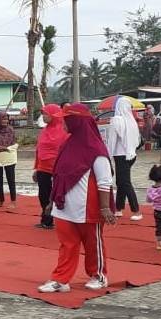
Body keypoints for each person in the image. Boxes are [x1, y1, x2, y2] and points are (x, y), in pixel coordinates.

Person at [37, 103, 116, 293]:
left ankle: (98, 275)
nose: (63, 122)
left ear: (76, 121)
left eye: (67, 119)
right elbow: (58, 174)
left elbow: (105, 181)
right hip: (64, 206)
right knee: (67, 245)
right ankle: (60, 279)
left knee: (93, 244)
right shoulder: (67, 143)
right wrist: (51, 201)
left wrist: (105, 208)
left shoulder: (96, 148)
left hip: (88, 207)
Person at [105, 97, 143, 220]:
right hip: (131, 155)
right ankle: (119, 208)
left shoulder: (116, 120)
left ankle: (136, 211)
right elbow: (137, 141)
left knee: (125, 183)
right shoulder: (131, 120)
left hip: (120, 155)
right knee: (121, 182)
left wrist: (108, 156)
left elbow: (112, 141)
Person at [34, 104, 69, 230]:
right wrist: (36, 168)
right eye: (43, 113)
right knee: (43, 194)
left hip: (58, 168)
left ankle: (61, 220)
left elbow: (67, 151)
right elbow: (39, 150)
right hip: (43, 167)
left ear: (54, 115)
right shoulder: (44, 131)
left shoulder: (64, 130)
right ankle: (46, 219)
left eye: (46, 114)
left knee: (58, 195)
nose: (43, 116)